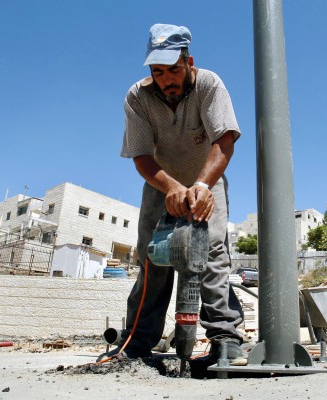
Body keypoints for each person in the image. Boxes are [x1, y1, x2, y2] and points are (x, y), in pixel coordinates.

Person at [106, 23, 245, 362]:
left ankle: (226, 340)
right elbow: (141, 156)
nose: (166, 78)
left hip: (207, 182)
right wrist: (171, 187)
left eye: (173, 70)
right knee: (153, 256)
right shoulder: (137, 97)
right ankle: (137, 341)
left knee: (212, 254)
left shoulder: (209, 85)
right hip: (160, 182)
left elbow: (224, 142)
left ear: (189, 62)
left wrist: (200, 186)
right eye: (158, 71)